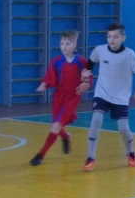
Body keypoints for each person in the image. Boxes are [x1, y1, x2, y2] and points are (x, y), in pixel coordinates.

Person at [82, 22, 135, 172]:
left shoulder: (129, 54)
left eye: (116, 37)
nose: (112, 39)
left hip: (121, 97)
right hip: (102, 94)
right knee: (96, 120)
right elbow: (90, 63)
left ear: (123, 38)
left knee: (123, 128)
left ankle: (131, 152)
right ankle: (91, 157)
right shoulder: (100, 50)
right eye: (109, 36)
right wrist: (85, 77)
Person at [30, 30, 91, 166]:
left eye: (68, 44)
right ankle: (65, 136)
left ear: (74, 45)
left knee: (56, 125)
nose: (64, 46)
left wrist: (86, 83)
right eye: (62, 43)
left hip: (73, 97)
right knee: (56, 125)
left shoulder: (81, 61)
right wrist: (43, 85)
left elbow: (88, 76)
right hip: (59, 96)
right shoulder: (56, 61)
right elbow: (50, 76)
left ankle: (40, 155)